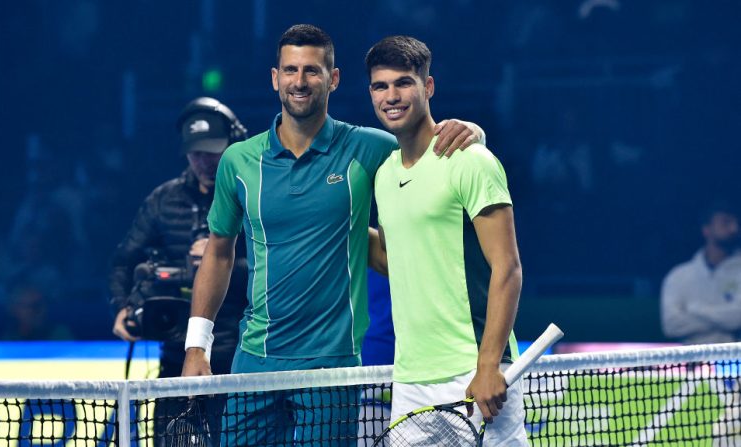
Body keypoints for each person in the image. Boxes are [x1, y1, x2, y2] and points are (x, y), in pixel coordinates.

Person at [181, 25, 485, 446]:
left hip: (334, 366)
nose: (300, 82)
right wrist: (197, 346)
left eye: (311, 71)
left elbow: (426, 148)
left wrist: (472, 133)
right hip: (254, 362)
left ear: (333, 79)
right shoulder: (239, 160)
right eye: (290, 70)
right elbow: (218, 254)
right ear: (275, 78)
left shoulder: (368, 148)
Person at [366, 36, 528, 445]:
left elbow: (507, 267)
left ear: (428, 87)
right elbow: (392, 259)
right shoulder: (384, 175)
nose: (392, 96)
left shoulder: (470, 161)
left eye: (403, 83)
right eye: (380, 86)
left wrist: (490, 363)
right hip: (410, 379)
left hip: (473, 369)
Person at [108, 97, 248, 445]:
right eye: (196, 153)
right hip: (175, 358)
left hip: (239, 358)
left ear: (232, 143)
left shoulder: (252, 193)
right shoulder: (163, 200)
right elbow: (125, 259)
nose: (205, 161)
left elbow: (277, 263)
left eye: (213, 152)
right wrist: (122, 306)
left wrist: (223, 257)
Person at [661, 202, 741, 344]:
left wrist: (696, 310)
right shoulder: (678, 276)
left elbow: (738, 317)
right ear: (706, 230)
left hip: (733, 362)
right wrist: (724, 318)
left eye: (736, 223)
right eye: (726, 222)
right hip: (690, 362)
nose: (734, 228)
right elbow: (671, 325)